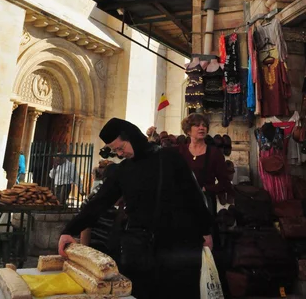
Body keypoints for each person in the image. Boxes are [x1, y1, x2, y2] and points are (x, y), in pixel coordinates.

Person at [58, 118, 212, 299]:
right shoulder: (123, 170)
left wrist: (206, 231)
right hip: (141, 251)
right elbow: (99, 202)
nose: (120, 154)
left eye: (121, 147)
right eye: (116, 151)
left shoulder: (170, 158)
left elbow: (193, 195)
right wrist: (70, 230)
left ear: (131, 136)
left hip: (177, 249)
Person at [178, 114, 233, 209]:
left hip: (205, 204)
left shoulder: (214, 153)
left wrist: (206, 189)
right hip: (182, 203)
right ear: (188, 131)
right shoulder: (180, 151)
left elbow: (225, 183)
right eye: (197, 125)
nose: (201, 128)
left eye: (204, 125)